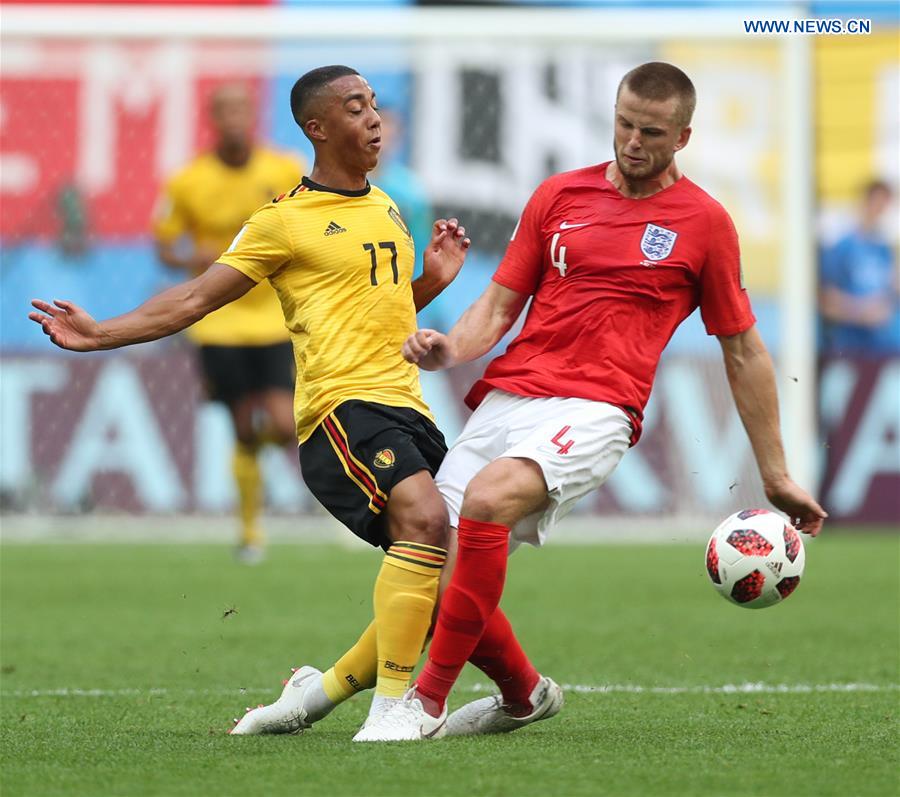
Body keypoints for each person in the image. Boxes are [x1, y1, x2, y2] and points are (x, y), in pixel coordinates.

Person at [352, 61, 828, 741]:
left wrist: (776, 472)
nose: (633, 141)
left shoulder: (705, 223)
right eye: (624, 123)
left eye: (651, 131)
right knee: (432, 573)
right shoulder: (557, 194)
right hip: (511, 395)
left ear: (683, 137)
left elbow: (744, 349)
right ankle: (523, 694)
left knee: (488, 499)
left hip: (599, 409)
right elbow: (498, 302)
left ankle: (423, 704)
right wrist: (451, 348)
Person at [28, 65, 471, 738]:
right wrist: (103, 333)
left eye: (375, 105)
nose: (375, 119)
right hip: (339, 411)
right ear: (317, 129)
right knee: (423, 520)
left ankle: (312, 695)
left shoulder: (384, 206)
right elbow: (194, 297)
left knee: (443, 575)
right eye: (356, 109)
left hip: (403, 401)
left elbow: (381, 313)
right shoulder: (283, 221)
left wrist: (429, 281)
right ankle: (392, 710)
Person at [153, 83, 304, 563]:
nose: (235, 118)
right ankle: (250, 531)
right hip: (216, 321)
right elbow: (164, 243)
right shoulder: (187, 181)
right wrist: (189, 256)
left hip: (274, 317)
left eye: (242, 108)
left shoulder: (283, 169)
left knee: (284, 425)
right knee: (241, 425)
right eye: (226, 110)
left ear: (253, 115)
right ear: (213, 118)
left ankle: (255, 476)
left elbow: (307, 223)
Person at [819, 180, 899, 354]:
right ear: (865, 203)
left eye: (884, 208)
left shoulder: (883, 249)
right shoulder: (842, 246)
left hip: (882, 347)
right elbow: (826, 301)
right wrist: (860, 312)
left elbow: (889, 294)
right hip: (850, 347)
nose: (880, 213)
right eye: (877, 205)